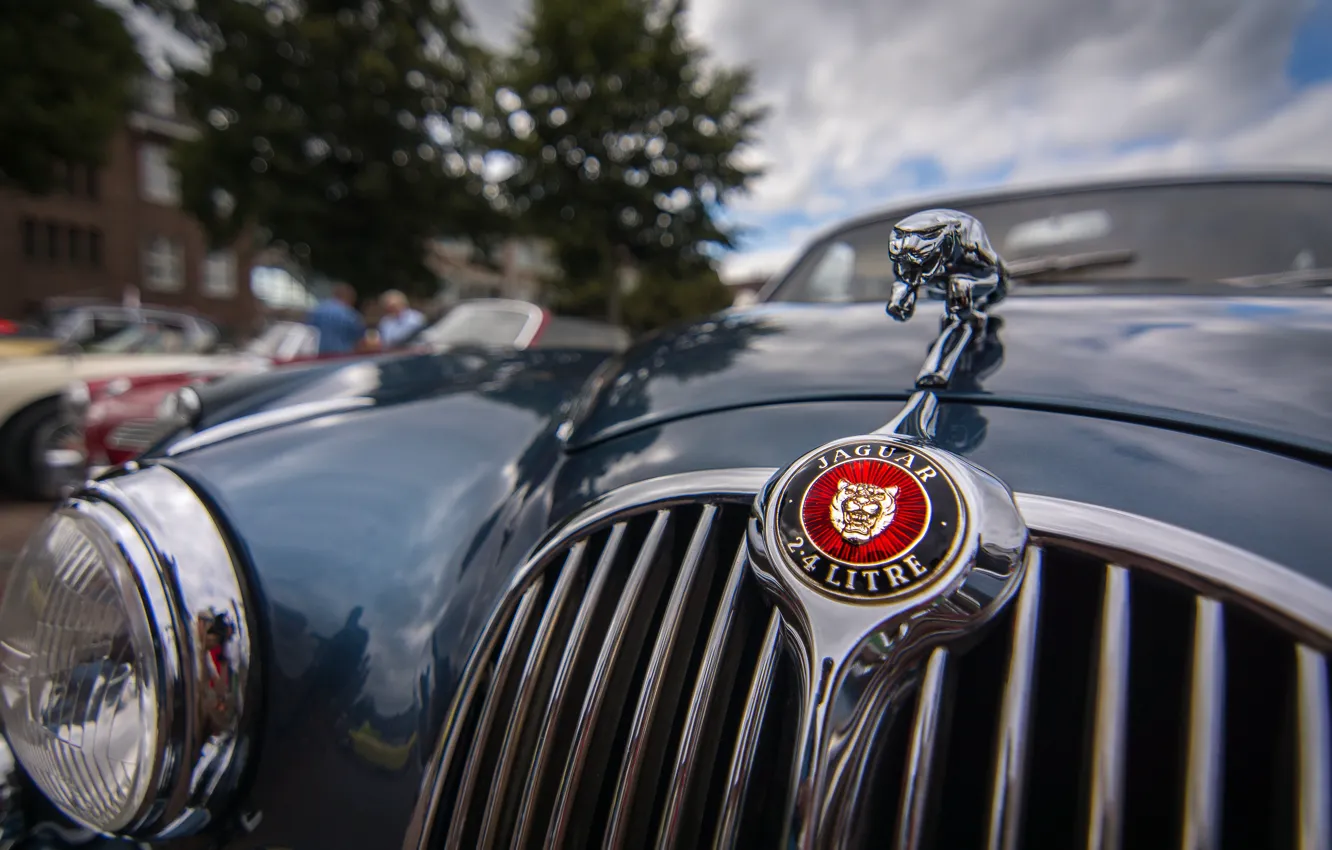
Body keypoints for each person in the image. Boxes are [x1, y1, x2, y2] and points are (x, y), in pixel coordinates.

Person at [306, 282, 365, 354]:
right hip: (342, 358)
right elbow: (359, 338)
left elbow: (308, 330)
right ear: (348, 296)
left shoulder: (316, 310)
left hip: (319, 356)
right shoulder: (350, 315)